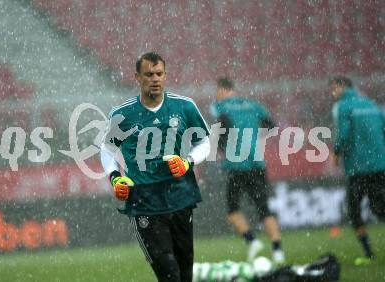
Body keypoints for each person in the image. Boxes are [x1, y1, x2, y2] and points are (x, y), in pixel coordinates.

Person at [100, 52, 211, 282]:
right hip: (145, 201)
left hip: (180, 196)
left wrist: (187, 161)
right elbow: (107, 149)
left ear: (165, 75)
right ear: (137, 77)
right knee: (169, 273)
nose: (155, 79)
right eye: (149, 74)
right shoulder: (123, 115)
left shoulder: (184, 107)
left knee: (184, 274)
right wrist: (115, 178)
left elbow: (204, 142)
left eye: (159, 73)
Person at [210, 76, 285, 264]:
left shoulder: (220, 107)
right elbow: (272, 126)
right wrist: (254, 141)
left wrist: (222, 148)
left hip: (236, 165)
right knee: (264, 210)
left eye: (217, 91)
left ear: (222, 90)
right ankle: (277, 251)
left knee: (232, 209)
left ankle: (251, 241)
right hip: (257, 163)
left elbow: (222, 129)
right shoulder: (253, 105)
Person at [330, 76, 385, 263]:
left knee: (353, 209)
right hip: (380, 165)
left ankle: (368, 253)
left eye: (334, 89)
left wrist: (336, 152)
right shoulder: (371, 104)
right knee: (380, 208)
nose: (333, 93)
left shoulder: (342, 107)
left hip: (358, 167)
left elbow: (343, 133)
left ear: (340, 87)